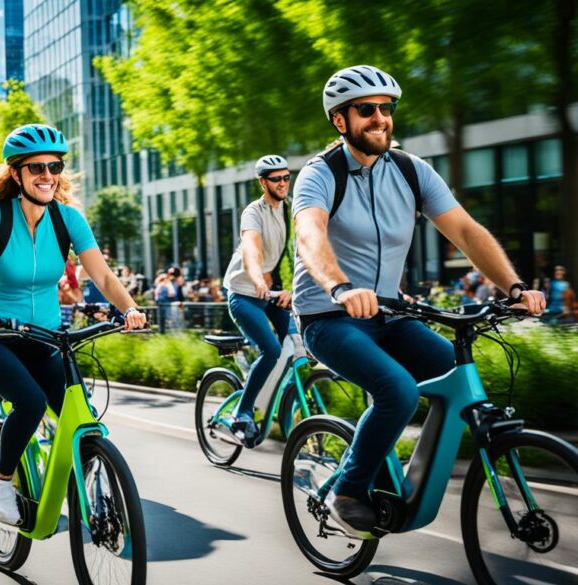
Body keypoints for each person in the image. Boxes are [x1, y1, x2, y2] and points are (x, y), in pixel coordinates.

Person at [293, 65, 545, 535]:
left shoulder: (411, 170)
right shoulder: (318, 176)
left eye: (386, 109)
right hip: (331, 317)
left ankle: (410, 479)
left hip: (391, 312)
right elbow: (310, 234)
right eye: (366, 110)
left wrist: (513, 288)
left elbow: (465, 230)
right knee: (398, 391)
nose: (379, 118)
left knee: (460, 380)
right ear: (340, 121)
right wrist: (341, 287)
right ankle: (350, 488)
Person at [0, 123, 147, 526]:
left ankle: (89, 488)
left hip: (46, 338)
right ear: (17, 174)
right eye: (36, 168)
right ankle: (2, 484)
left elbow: (104, 277)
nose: (47, 175)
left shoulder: (68, 220)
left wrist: (130, 308)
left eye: (55, 166)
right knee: (30, 402)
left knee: (84, 418)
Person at [220, 155, 294, 442]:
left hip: (274, 292)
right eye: (276, 179)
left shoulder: (289, 210)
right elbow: (252, 249)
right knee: (272, 350)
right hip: (245, 294)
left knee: (301, 344)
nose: (283, 183)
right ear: (263, 182)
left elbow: (296, 253)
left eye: (287, 177)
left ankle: (275, 400)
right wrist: (256, 278)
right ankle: (243, 412)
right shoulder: (253, 212)